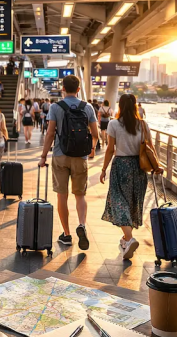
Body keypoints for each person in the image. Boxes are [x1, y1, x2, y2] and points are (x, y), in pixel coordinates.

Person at [38, 75, 98, 250]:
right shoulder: (87, 107)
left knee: (61, 196)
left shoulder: (56, 107)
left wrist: (43, 156)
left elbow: (50, 134)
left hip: (60, 155)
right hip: (81, 157)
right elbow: (95, 133)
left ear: (62, 88)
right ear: (78, 89)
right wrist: (92, 148)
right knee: (80, 195)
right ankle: (82, 224)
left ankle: (66, 234)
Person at [100, 94, 162, 260]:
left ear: (120, 106)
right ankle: (127, 242)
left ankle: (129, 238)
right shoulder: (142, 124)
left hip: (121, 166)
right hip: (139, 168)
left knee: (118, 201)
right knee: (133, 202)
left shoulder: (113, 124)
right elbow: (150, 147)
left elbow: (110, 149)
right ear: (135, 106)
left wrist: (104, 168)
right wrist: (156, 166)